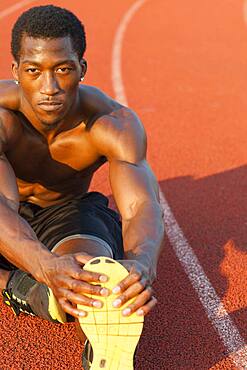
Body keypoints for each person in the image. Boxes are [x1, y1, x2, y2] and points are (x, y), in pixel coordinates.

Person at [0, 4, 164, 369]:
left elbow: (141, 207)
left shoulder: (112, 123)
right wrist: (42, 265)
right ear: (15, 72)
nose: (49, 88)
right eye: (33, 71)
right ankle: (17, 284)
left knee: (92, 275)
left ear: (82, 69)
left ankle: (103, 352)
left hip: (67, 213)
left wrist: (140, 265)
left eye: (63, 69)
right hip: (4, 217)